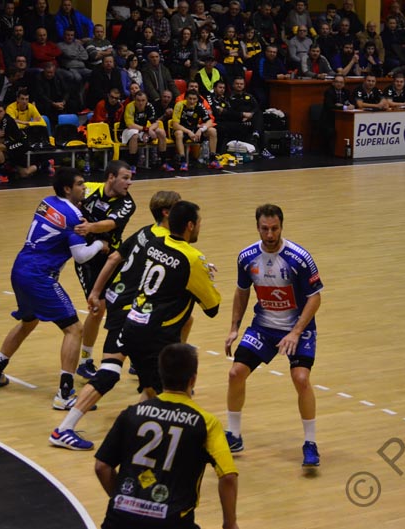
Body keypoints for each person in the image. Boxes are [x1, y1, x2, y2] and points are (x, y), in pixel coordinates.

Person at [52, 200, 221, 450]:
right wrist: (202, 275)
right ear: (189, 225)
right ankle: (187, 446)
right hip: (149, 328)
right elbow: (212, 308)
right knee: (173, 392)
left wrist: (97, 292)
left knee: (135, 381)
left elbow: (116, 259)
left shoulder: (152, 239)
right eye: (199, 223)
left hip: (131, 319)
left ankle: (91, 431)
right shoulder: (191, 257)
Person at [0, 168, 110, 410]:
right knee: (74, 329)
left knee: (28, 322)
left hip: (20, 268)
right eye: (80, 184)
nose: (84, 187)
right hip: (40, 276)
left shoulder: (47, 201)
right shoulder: (74, 216)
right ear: (67, 189)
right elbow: (81, 256)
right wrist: (100, 245)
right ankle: (65, 394)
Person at [94, 343, 239, 529]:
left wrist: (124, 500)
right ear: (193, 379)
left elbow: (102, 466)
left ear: (161, 375)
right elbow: (228, 477)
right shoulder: (206, 423)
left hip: (119, 519)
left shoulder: (131, 413)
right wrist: (230, 524)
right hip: (172, 521)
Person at [224, 204, 324, 467]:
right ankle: (234, 435)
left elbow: (315, 298)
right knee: (235, 373)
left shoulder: (299, 258)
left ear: (282, 227)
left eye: (275, 229)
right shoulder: (247, 257)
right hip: (263, 327)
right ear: (257, 228)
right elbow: (242, 291)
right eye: (265, 229)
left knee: (301, 379)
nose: (270, 234)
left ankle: (310, 443)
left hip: (298, 328)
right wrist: (234, 327)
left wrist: (296, 332)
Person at [73, 160, 136, 379]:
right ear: (111, 177)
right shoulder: (89, 189)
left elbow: (110, 224)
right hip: (89, 258)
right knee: (97, 308)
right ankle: (85, 361)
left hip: (114, 258)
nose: (129, 182)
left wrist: (90, 226)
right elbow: (67, 201)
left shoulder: (127, 203)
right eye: (125, 178)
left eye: (130, 178)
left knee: (127, 306)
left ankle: (135, 356)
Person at [0, 102, 53, 184]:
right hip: (12, 144)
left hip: (21, 144)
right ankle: (45, 164)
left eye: (0, 111)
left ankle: (3, 176)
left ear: (4, 112)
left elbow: (3, 140)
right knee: (24, 173)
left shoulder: (6, 121)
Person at [121, 91, 174, 172]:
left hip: (142, 130)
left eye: (143, 100)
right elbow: (130, 125)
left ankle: (163, 163)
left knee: (161, 132)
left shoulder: (149, 106)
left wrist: (150, 130)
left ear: (146, 100)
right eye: (138, 100)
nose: (141, 103)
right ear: (134, 100)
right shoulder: (130, 107)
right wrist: (147, 130)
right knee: (134, 135)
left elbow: (156, 123)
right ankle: (133, 165)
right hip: (127, 131)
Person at [172, 89, 222, 171]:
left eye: (194, 99)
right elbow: (175, 125)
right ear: (186, 98)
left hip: (195, 130)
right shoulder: (179, 105)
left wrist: (201, 129)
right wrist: (188, 132)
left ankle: (213, 159)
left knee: (212, 131)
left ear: (197, 99)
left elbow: (209, 121)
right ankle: (183, 161)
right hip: (183, 130)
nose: (192, 101)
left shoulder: (199, 106)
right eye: (190, 98)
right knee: (178, 133)